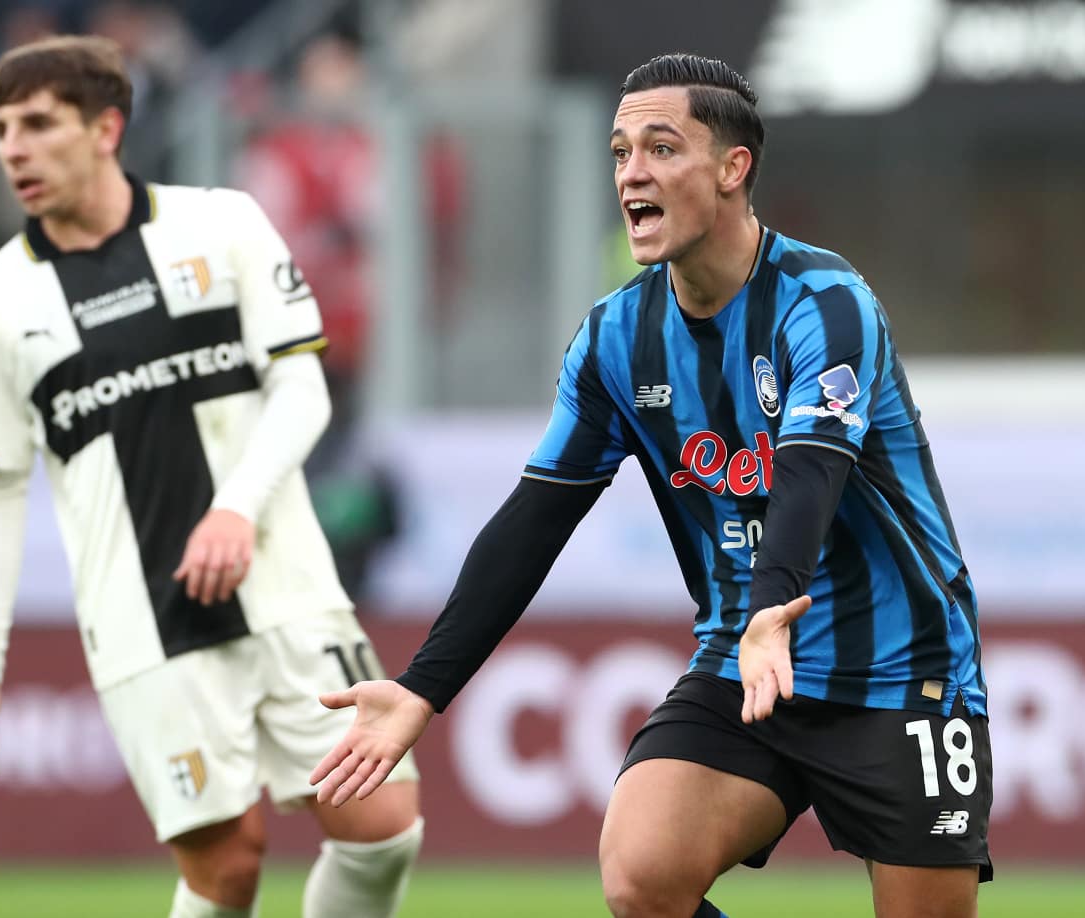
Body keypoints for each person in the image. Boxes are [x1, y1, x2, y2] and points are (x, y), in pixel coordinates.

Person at [310, 53, 992, 918]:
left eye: (661, 148)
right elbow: (533, 521)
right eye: (620, 152)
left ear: (733, 168)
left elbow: (809, 476)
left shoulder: (825, 301)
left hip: (902, 670)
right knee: (641, 877)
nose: (632, 172)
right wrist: (422, 689)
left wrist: (771, 610)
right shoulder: (615, 339)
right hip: (740, 661)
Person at [0, 35, 422, 918]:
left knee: (384, 825)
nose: (14, 149)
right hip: (143, 618)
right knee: (227, 869)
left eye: (39, 124)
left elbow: (301, 387)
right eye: (1, 129)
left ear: (106, 128)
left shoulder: (222, 223)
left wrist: (235, 508)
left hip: (285, 585)